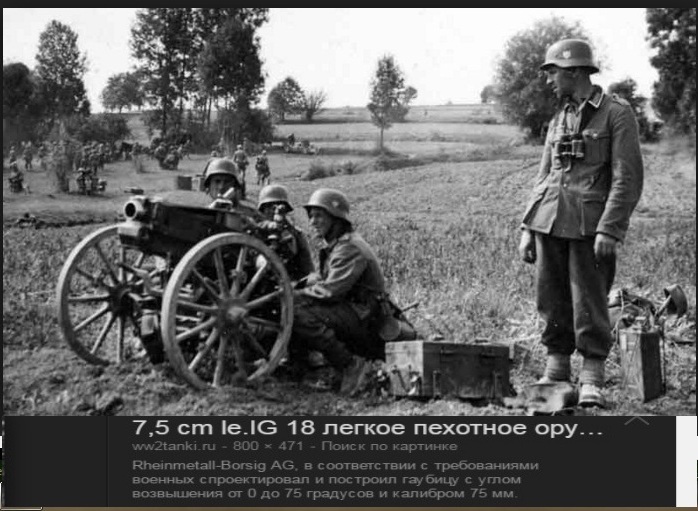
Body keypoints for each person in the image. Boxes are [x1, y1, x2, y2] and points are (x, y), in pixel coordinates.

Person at [518, 39, 644, 408]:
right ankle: (556, 371)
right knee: (551, 299)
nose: (548, 80)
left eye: (553, 72)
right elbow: (544, 176)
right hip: (549, 221)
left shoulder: (616, 113)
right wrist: (527, 227)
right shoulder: (560, 117)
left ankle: (591, 378)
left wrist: (610, 227)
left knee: (589, 300)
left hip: (590, 226)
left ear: (575, 71)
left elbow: (627, 177)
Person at [290, 188, 387, 396]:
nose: (313, 222)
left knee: (297, 312)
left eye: (319, 216)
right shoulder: (337, 245)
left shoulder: (349, 247)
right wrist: (299, 286)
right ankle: (308, 368)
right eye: (311, 216)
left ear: (336, 218)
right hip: (357, 312)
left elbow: (331, 291)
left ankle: (351, 365)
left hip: (366, 317)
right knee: (297, 304)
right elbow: (325, 280)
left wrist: (292, 295)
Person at [256, 184, 314, 282]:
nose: (274, 211)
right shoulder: (256, 230)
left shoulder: (296, 234)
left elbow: (307, 269)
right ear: (263, 210)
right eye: (269, 207)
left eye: (279, 207)